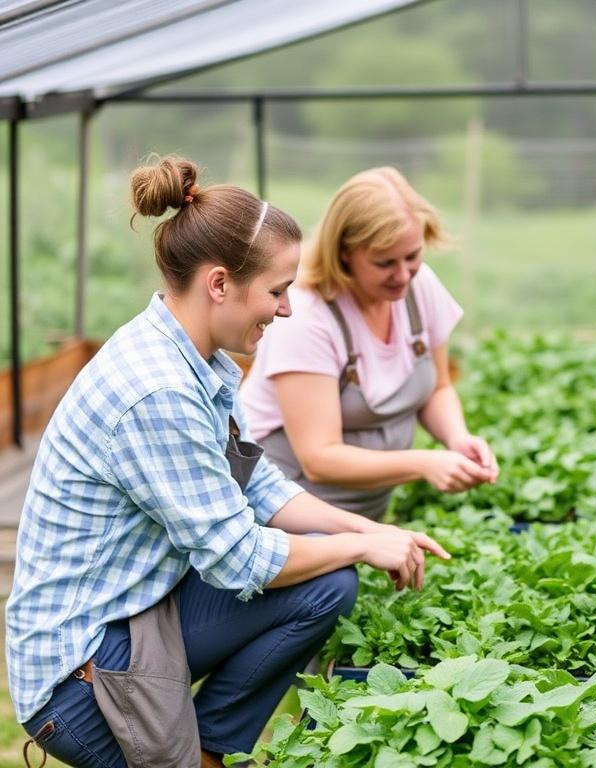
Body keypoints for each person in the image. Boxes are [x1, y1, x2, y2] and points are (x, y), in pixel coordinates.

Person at [5, 155, 450, 768]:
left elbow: (258, 483)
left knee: (326, 584)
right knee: (329, 571)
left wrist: (370, 530)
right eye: (276, 290)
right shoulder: (157, 389)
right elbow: (239, 558)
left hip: (139, 611)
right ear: (219, 284)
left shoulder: (194, 357)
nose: (287, 308)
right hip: (81, 675)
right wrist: (359, 546)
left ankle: (214, 751)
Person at [239, 167, 497, 521]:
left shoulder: (418, 288)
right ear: (344, 252)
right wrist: (425, 463)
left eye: (412, 256)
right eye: (384, 262)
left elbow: (436, 387)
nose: (403, 274)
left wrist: (457, 438)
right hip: (285, 508)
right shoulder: (306, 315)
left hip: (363, 516)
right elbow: (319, 458)